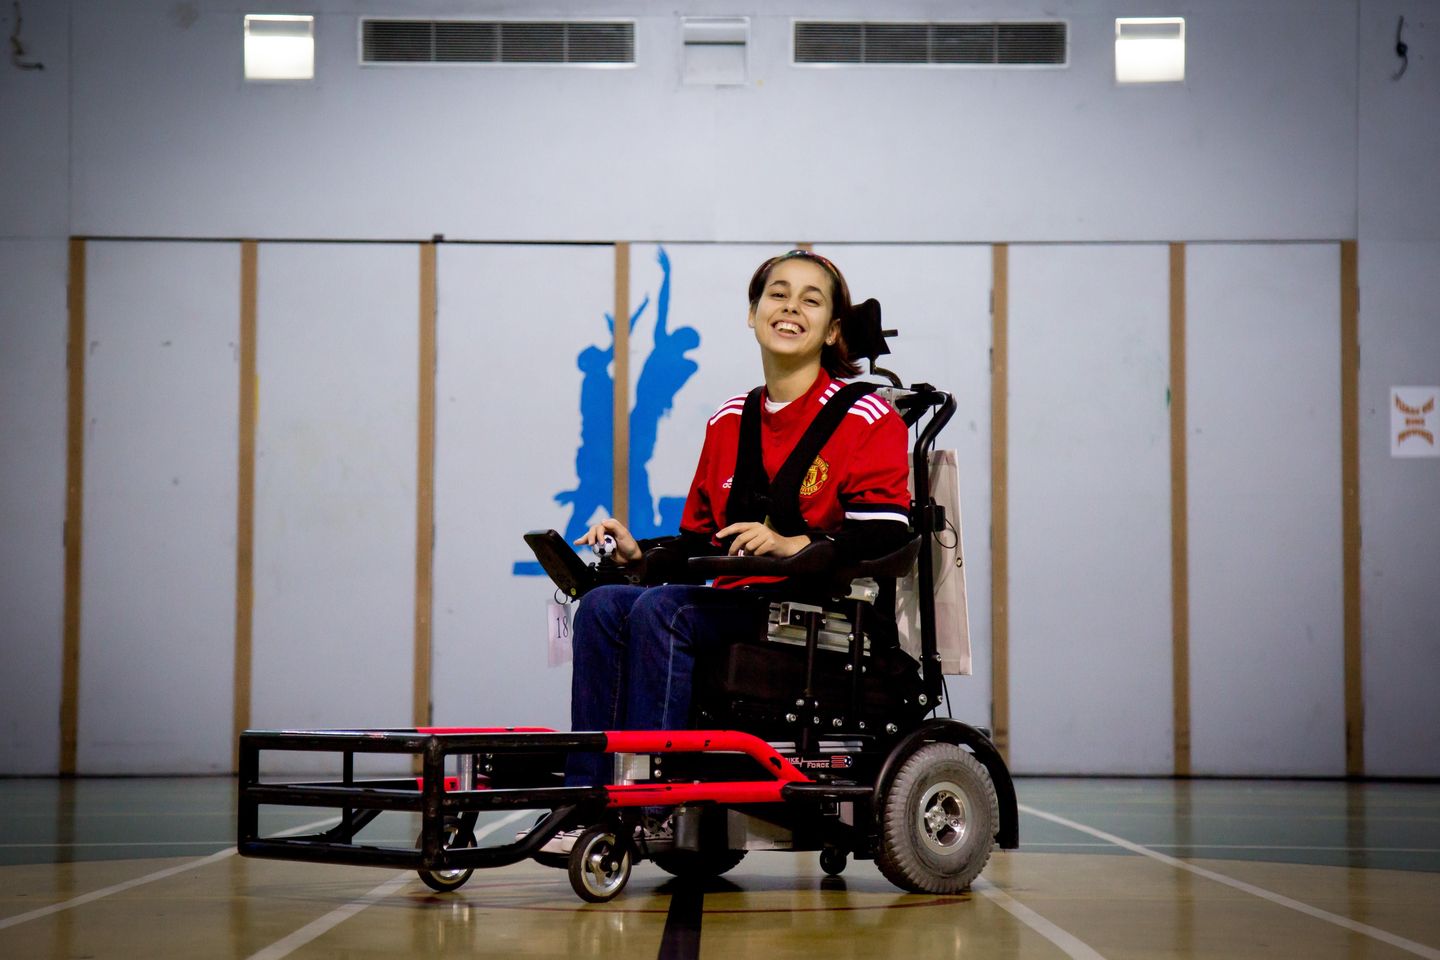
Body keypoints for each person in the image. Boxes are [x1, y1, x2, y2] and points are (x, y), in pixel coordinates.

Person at [566, 250, 913, 795]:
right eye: (778, 294)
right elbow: (702, 541)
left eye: (811, 300)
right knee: (603, 605)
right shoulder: (729, 419)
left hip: (818, 615)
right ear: (752, 314)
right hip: (738, 606)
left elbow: (889, 532)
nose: (791, 307)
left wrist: (796, 544)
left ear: (832, 330)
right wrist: (642, 556)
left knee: (664, 610)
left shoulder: (867, 415)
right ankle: (589, 795)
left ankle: (649, 801)